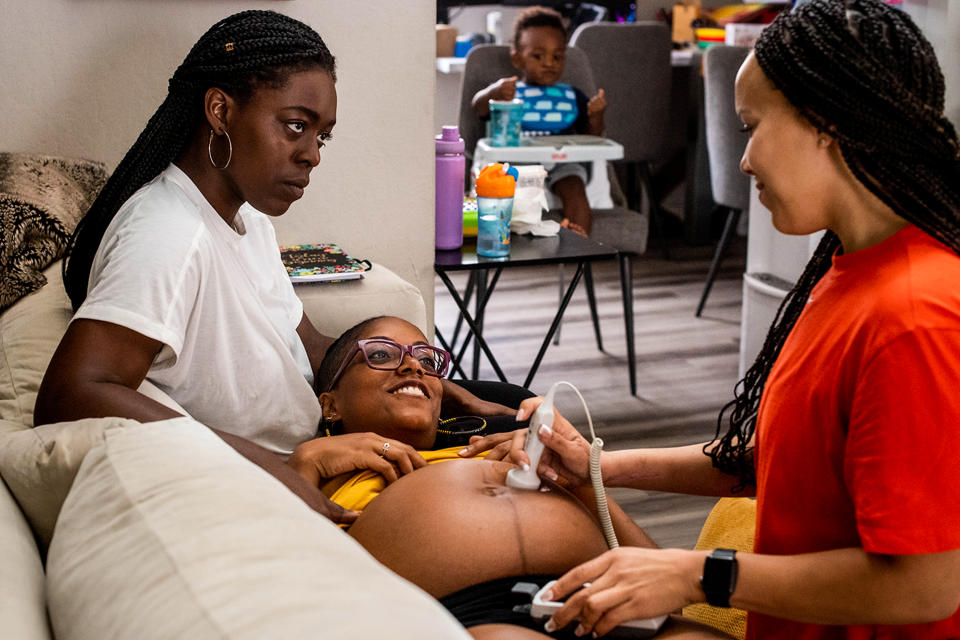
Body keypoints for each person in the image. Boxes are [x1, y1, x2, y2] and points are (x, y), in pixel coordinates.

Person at [461, 1, 960, 637]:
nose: (745, 160)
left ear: (827, 123)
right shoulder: (848, 270)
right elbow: (784, 458)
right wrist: (599, 466)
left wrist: (699, 574)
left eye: (751, 126)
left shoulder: (917, 319)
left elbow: (924, 586)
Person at [32, 10, 508, 525]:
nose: (312, 156)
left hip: (319, 434)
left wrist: (441, 388)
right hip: (284, 468)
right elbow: (71, 392)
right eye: (296, 126)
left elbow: (308, 345)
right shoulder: (169, 234)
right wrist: (278, 469)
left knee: (511, 406)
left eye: (320, 136)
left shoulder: (245, 218)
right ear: (220, 110)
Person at [296, 314, 734, 640]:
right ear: (330, 405)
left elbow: (660, 580)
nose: (413, 368)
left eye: (427, 360)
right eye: (381, 355)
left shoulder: (505, 448)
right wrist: (305, 465)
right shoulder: (321, 469)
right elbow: (279, 569)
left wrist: (580, 482)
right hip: (467, 615)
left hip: (603, 599)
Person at [471, 6, 607, 236]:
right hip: (516, 164)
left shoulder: (572, 96)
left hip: (562, 163)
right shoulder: (508, 93)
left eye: (557, 56)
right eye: (538, 56)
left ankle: (581, 243)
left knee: (575, 189)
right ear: (517, 58)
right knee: (501, 193)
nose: (549, 63)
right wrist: (492, 93)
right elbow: (479, 108)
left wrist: (596, 116)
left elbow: (592, 139)